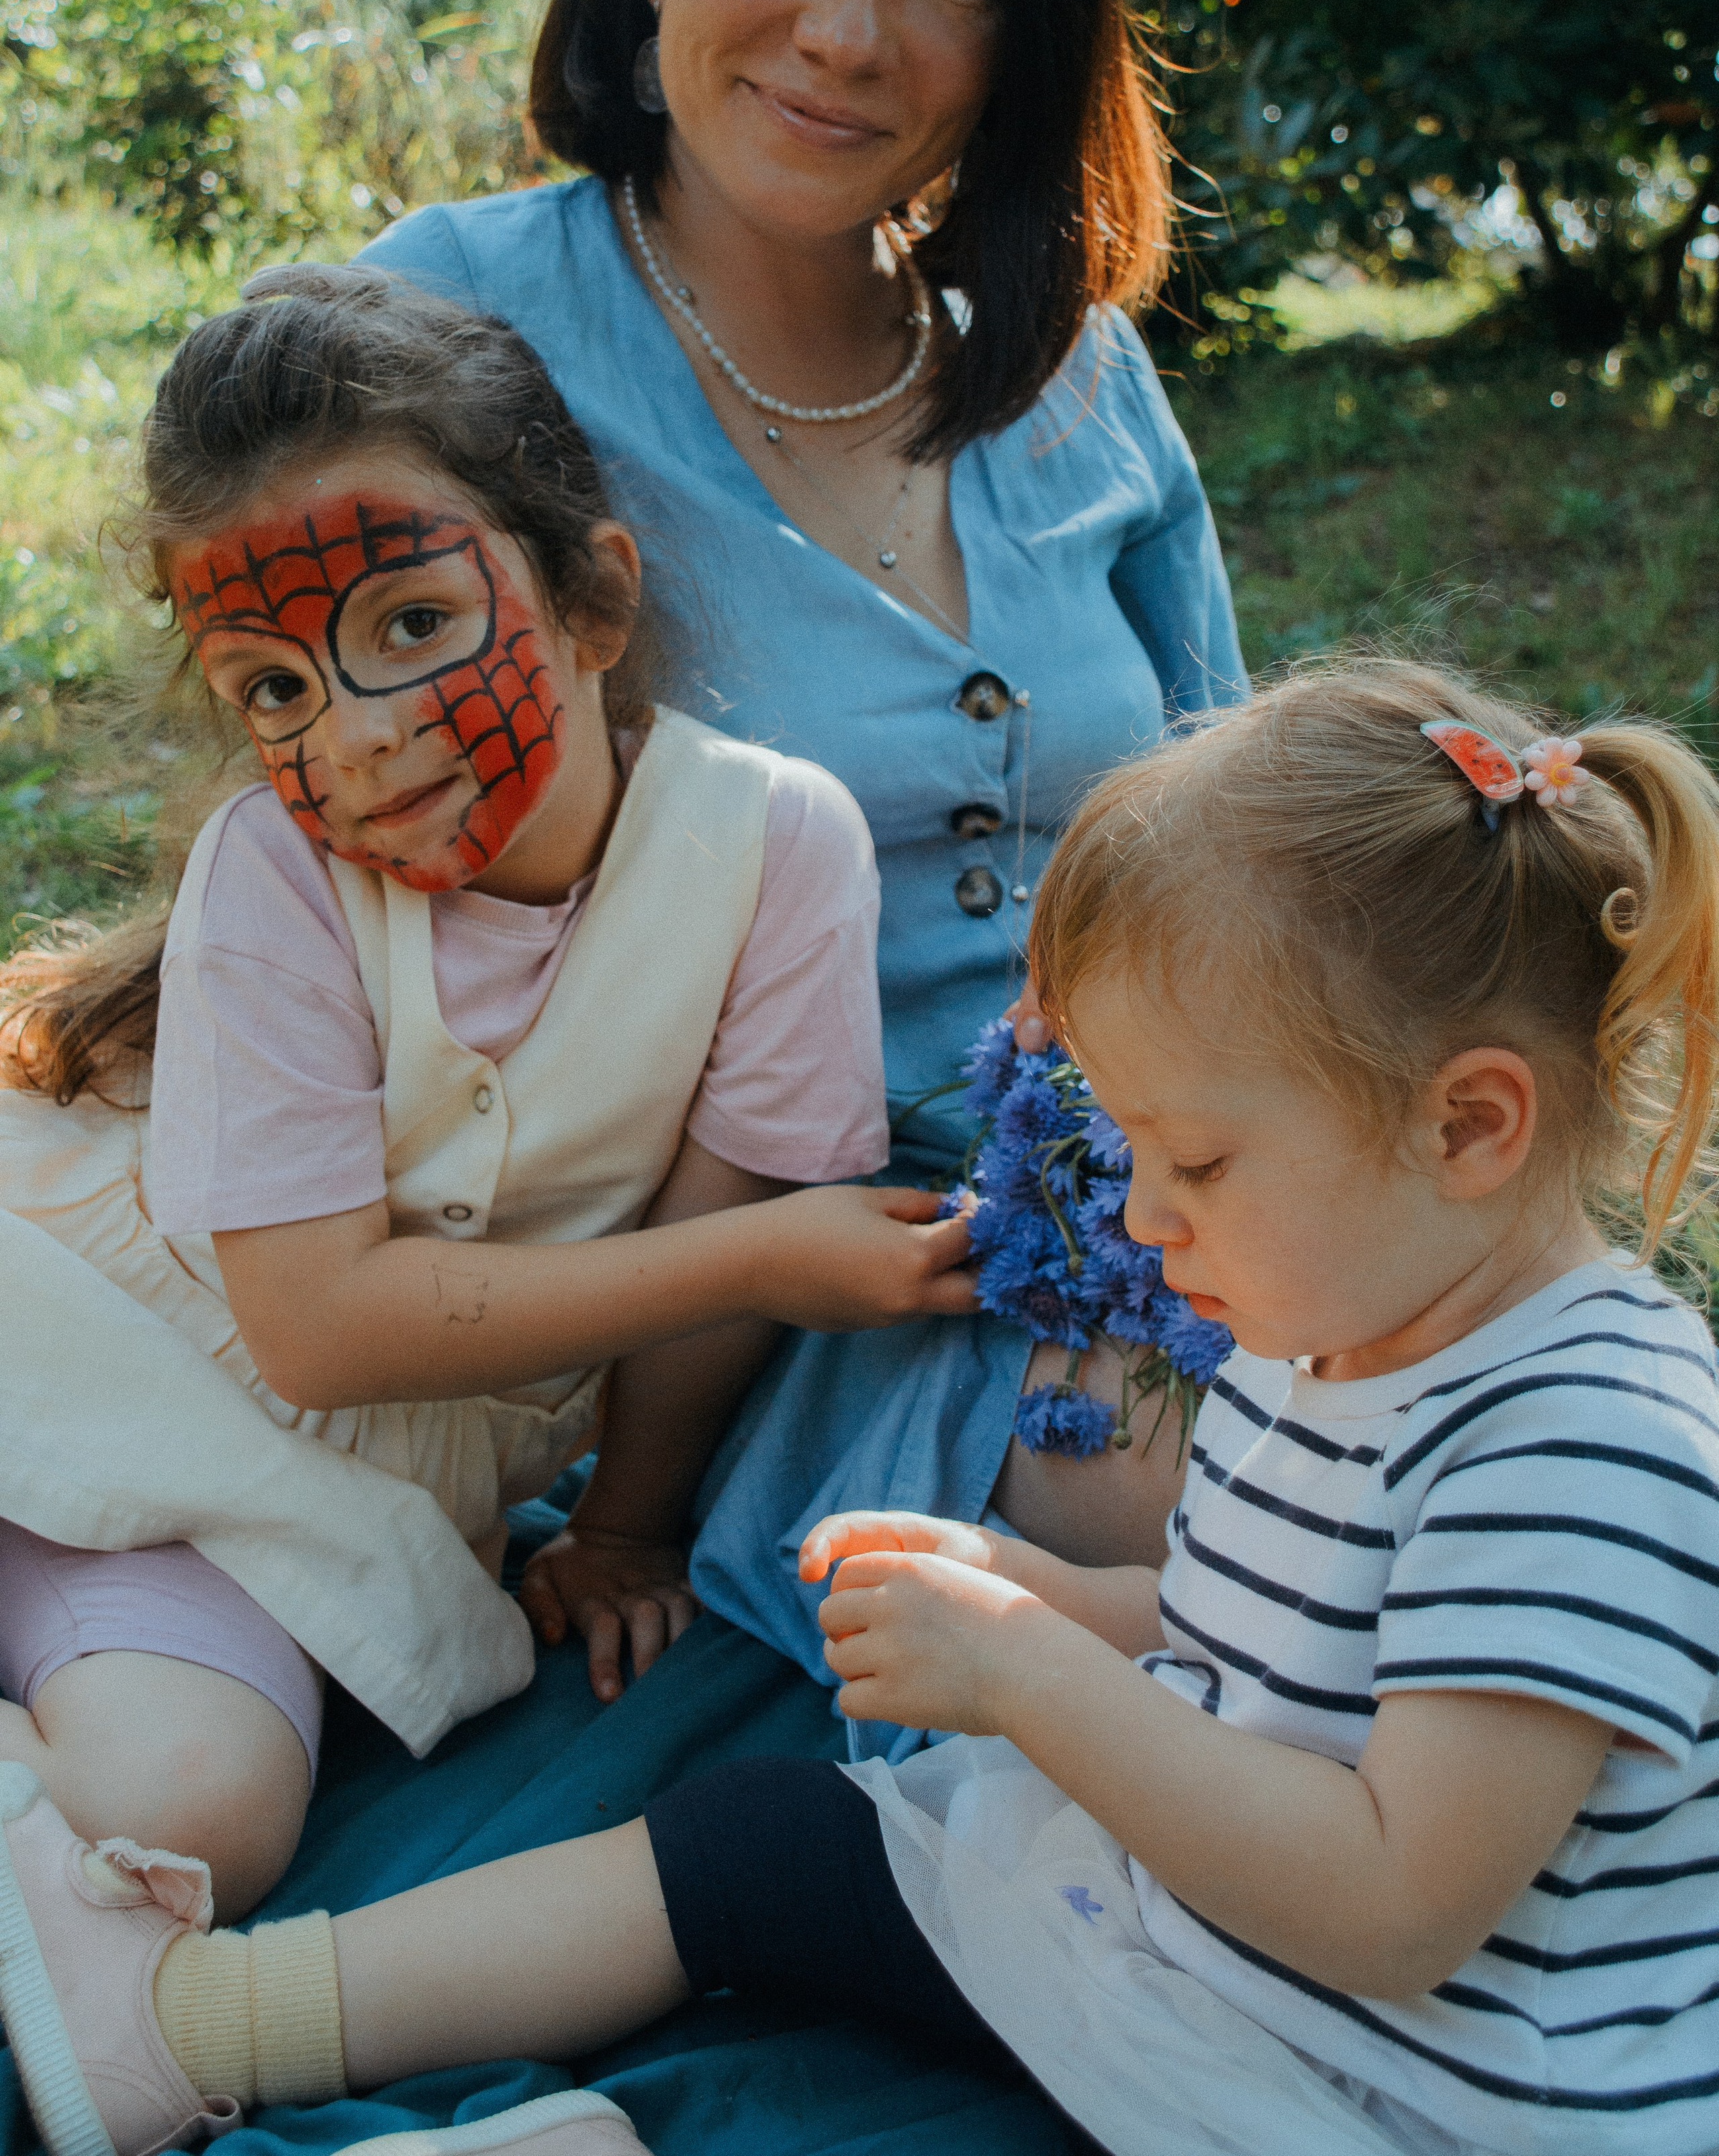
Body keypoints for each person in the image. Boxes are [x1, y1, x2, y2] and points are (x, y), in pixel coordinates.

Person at [11, 655, 1718, 2156]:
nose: (1137, 1222)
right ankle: (184, 2031)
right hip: (1227, 1969)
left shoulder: (1581, 1450)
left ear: (1470, 1126)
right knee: (768, 1844)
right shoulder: (1346, 1314)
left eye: (1194, 1162)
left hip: (1391, 2092)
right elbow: (1279, 1651)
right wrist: (1045, 1597)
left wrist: (1030, 1678)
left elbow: (1390, 1903)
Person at [363, 0, 1248, 1697]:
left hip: (1202, 1184)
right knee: (1223, 1502)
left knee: (1569, 1423)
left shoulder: (1073, 379)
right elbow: (332, 882)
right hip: (754, 1290)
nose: (854, 29)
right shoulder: (445, 333)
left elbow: (1247, 832)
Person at [0, 264, 975, 1921]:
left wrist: (628, 1531)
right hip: (66, 1340)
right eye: (276, 689)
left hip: (283, 1505)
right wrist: (758, 1265)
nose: (361, 738)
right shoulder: (277, 868)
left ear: (592, 601)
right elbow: (319, 1325)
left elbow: (715, 1234)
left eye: (415, 626)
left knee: (196, 1820)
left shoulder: (770, 847)